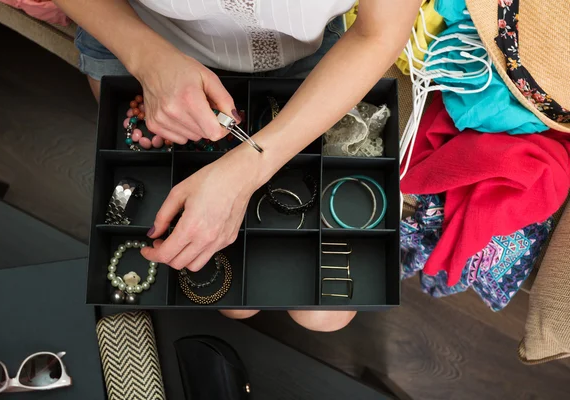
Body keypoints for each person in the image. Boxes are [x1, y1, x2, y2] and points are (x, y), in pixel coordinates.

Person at [54, 0, 420, 332]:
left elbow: (380, 32)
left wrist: (249, 167)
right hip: (136, 37)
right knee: (237, 309)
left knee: (324, 315)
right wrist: (149, 60)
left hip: (301, 58)